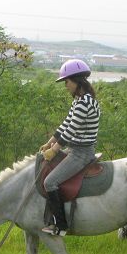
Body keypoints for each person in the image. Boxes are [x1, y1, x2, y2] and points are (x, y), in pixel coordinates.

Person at [39, 59, 101, 236]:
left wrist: (55, 149)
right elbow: (65, 125)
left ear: (76, 80)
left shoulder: (84, 102)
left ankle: (61, 226)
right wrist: (50, 142)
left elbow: (72, 130)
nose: (65, 86)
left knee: (50, 182)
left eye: (67, 82)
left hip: (81, 153)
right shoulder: (79, 100)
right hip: (74, 149)